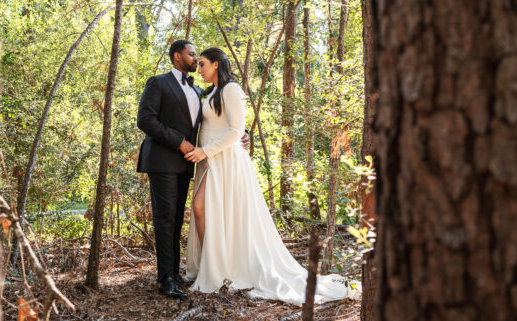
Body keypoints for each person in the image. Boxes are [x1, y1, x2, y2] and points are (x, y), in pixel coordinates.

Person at [183, 47, 359, 306]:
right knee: (210, 211)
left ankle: (217, 269)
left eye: (203, 64)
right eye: (198, 65)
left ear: (217, 64)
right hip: (210, 161)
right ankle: (215, 266)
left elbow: (236, 131)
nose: (199, 69)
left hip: (226, 160)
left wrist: (205, 151)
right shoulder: (210, 92)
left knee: (199, 207)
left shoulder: (232, 90)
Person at [136, 39, 248, 299]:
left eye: (199, 56)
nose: (196, 59)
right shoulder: (158, 83)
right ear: (177, 56)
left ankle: (176, 273)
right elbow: (145, 120)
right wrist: (180, 142)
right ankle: (166, 279)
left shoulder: (201, 90)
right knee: (164, 220)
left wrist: (244, 135)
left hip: (189, 164)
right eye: (191, 54)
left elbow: (220, 120)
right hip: (163, 161)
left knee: (176, 220)